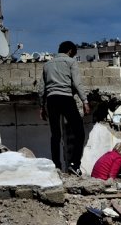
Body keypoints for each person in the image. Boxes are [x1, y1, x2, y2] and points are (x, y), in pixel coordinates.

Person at [38, 41, 91, 174]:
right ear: (69, 51)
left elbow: (41, 88)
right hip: (66, 98)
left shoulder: (47, 64)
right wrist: (85, 101)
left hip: (51, 100)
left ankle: (56, 166)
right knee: (79, 132)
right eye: (73, 54)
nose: (72, 56)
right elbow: (77, 83)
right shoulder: (71, 62)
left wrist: (41, 106)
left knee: (55, 134)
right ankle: (74, 164)